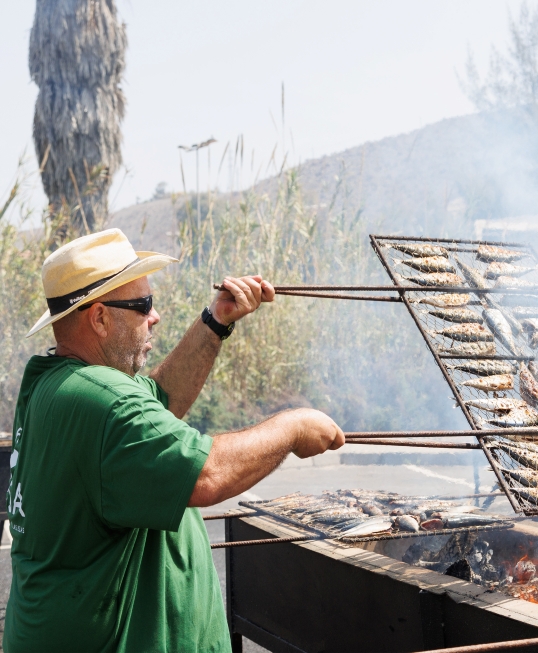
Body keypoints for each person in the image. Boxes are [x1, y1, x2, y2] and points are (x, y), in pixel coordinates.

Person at [5, 229, 345, 652]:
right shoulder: (106, 402)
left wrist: (215, 321)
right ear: (100, 318)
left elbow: (159, 398)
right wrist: (292, 428)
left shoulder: (61, 383)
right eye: (142, 305)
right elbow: (207, 474)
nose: (155, 316)